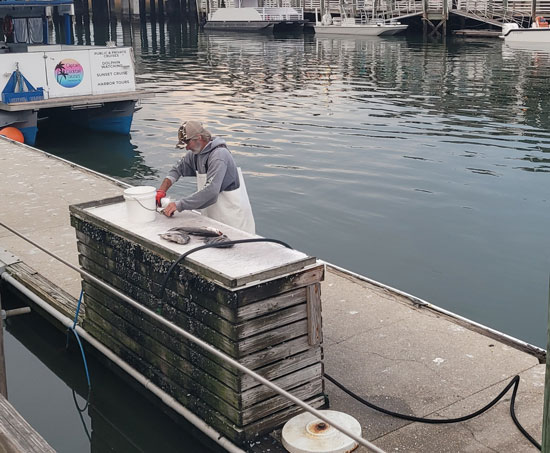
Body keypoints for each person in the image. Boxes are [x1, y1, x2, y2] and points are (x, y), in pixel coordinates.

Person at [156, 120, 255, 234]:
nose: (186, 148)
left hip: (232, 220)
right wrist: (161, 191)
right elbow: (176, 170)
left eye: (187, 143)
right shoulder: (195, 155)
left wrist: (179, 205)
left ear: (199, 138)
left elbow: (211, 192)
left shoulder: (219, 156)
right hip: (213, 219)